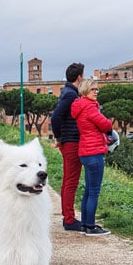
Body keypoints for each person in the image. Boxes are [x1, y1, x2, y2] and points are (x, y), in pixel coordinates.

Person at [71, 78, 113, 236]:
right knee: (94, 191)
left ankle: (84, 224)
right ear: (85, 91)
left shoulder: (80, 106)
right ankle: (90, 225)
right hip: (94, 152)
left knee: (88, 190)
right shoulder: (90, 107)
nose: (96, 92)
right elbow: (106, 125)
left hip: (85, 152)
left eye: (97, 89)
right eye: (93, 89)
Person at [50, 63, 85, 232]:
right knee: (71, 182)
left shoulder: (68, 92)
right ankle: (69, 219)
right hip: (71, 141)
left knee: (68, 181)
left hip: (69, 140)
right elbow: (56, 116)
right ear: (79, 77)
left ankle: (67, 216)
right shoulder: (70, 95)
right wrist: (59, 137)